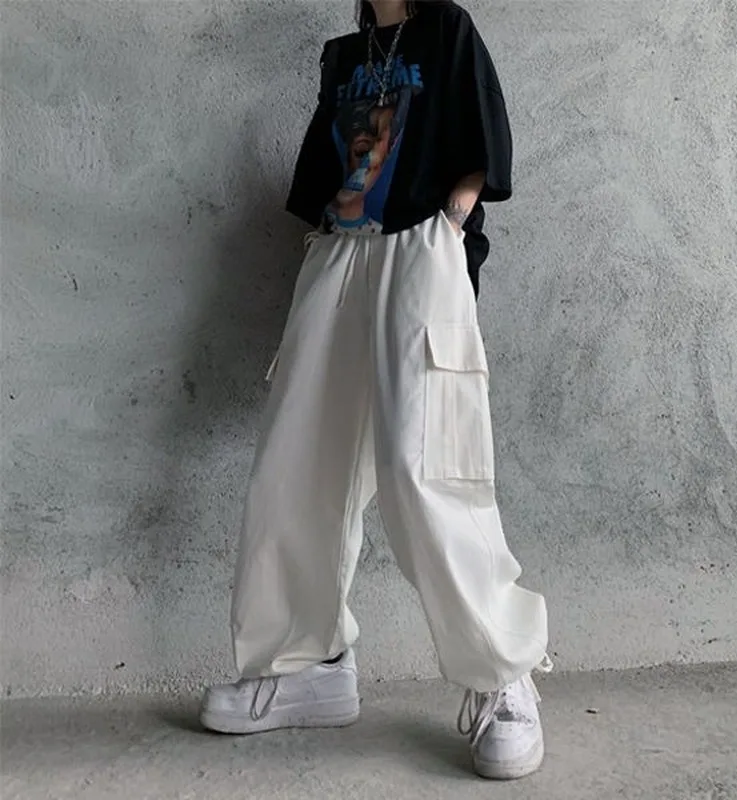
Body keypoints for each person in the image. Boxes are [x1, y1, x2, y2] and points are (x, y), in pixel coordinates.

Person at [200, 0, 552, 781]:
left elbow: (482, 145)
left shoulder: (447, 29)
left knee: (424, 466)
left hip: (421, 247)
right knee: (297, 461)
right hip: (340, 252)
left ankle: (502, 674)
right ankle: (305, 663)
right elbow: (323, 173)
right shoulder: (345, 55)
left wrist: (451, 224)